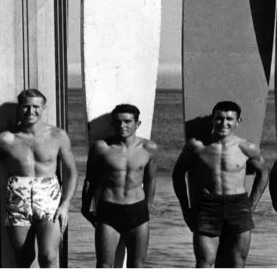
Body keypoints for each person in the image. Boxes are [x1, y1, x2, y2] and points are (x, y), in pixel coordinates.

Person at [0, 88, 78, 268]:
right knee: (23, 259)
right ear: (19, 108)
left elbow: (71, 172)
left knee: (49, 257)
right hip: (18, 199)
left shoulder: (57, 135)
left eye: (36, 107)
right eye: (26, 107)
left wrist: (66, 205)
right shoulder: (5, 139)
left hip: (49, 198)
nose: (31, 111)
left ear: (44, 107)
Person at [172, 101, 268, 268]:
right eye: (219, 118)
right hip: (207, 206)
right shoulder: (196, 147)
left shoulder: (246, 148)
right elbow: (177, 174)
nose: (224, 123)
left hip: (238, 206)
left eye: (229, 119)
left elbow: (264, 172)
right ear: (213, 120)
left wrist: (251, 205)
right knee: (204, 264)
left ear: (238, 121)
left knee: (237, 264)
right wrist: (186, 210)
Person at [81, 104, 158, 268]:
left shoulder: (148, 148)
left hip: (137, 211)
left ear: (137, 124)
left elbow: (151, 179)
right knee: (104, 265)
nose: (122, 126)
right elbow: (90, 179)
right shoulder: (101, 147)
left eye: (127, 121)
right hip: (109, 210)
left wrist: (147, 207)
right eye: (117, 122)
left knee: (136, 265)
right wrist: (85, 207)